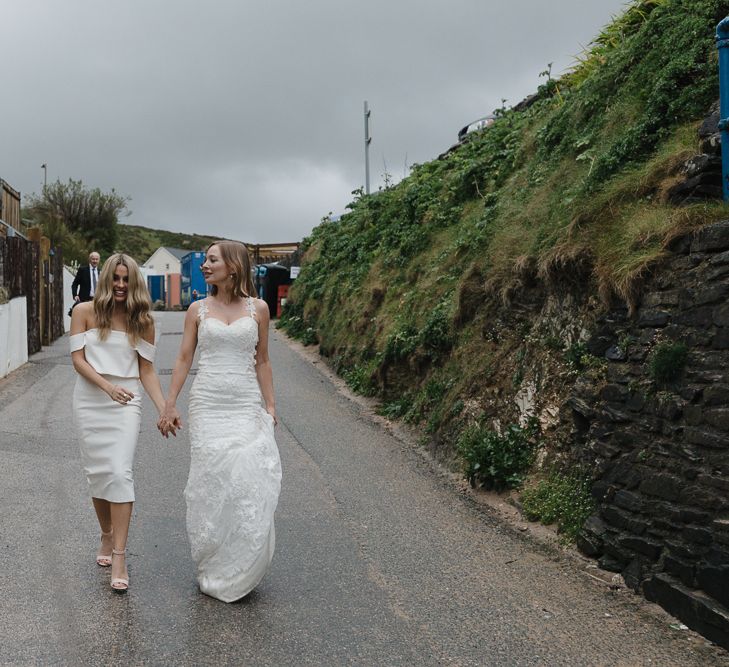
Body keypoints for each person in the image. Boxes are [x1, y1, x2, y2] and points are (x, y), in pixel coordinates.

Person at [158, 240, 281, 602]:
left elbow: (262, 360)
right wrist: (170, 403)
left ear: (233, 265)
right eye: (206, 260)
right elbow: (182, 358)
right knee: (211, 483)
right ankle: (212, 563)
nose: (206, 266)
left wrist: (271, 405)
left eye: (212, 260)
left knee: (244, 479)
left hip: (244, 402)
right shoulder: (197, 309)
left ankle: (241, 563)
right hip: (208, 404)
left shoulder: (259, 309)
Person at [70, 253, 168, 594]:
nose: (122, 285)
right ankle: (106, 533)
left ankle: (120, 555)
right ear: (106, 279)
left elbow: (147, 370)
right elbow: (78, 361)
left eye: (127, 279)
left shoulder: (144, 321)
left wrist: (164, 407)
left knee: (119, 472)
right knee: (97, 473)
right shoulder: (84, 312)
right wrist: (107, 387)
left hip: (126, 401)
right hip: (91, 398)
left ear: (135, 281)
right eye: (116, 278)